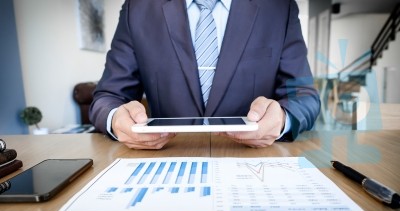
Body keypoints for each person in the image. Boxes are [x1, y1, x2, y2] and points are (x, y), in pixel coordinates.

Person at [89, 0, 320, 149]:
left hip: (253, 162)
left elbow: (304, 96)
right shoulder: (137, 8)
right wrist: (116, 119)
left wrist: (282, 119)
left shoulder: (279, 7)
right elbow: (107, 97)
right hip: (168, 160)